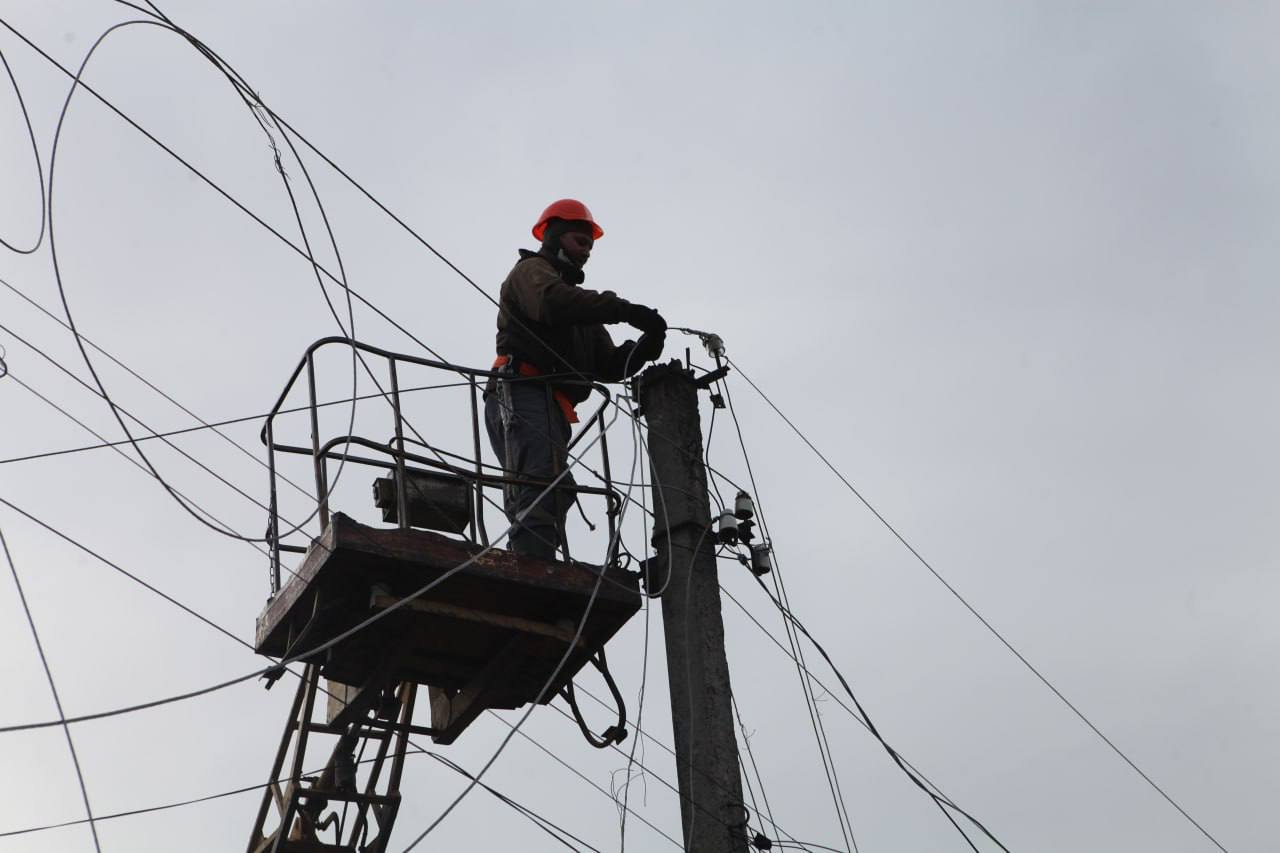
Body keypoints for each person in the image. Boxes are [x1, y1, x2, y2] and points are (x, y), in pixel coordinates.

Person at [485, 198, 666, 560]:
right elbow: (552, 303)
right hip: (520, 389)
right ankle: (531, 566)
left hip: (550, 403)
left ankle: (534, 561)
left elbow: (609, 364)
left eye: (590, 247)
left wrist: (643, 349)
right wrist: (624, 310)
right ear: (555, 237)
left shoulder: (581, 312)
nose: (586, 252)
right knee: (542, 477)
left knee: (556, 484)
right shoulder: (532, 272)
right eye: (580, 242)